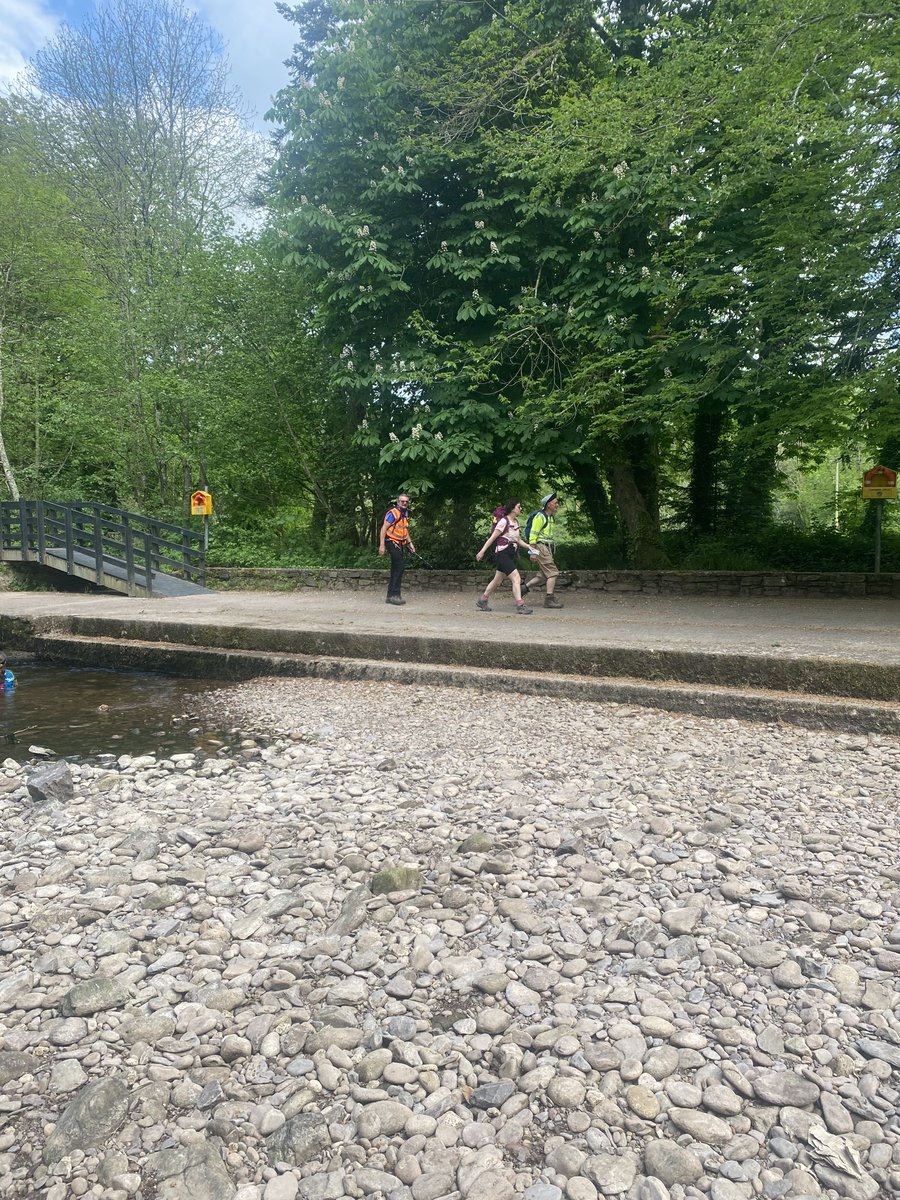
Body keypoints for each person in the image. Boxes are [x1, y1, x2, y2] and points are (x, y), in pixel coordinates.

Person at [474, 499, 539, 614]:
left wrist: (529, 547)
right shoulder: (503, 522)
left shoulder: (516, 522)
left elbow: (517, 540)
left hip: (509, 554)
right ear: (513, 508)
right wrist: (482, 551)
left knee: (497, 580)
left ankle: (483, 599)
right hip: (502, 554)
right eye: (519, 507)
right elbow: (492, 538)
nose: (520, 509)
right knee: (516, 578)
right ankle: (520, 604)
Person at [522, 492, 564, 609]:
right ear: (548, 505)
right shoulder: (540, 516)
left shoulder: (549, 517)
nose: (557, 505)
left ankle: (523, 589)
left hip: (545, 547)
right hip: (541, 547)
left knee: (543, 575)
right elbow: (533, 535)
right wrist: (533, 552)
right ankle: (549, 600)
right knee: (553, 573)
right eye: (555, 503)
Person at [378, 494, 416, 605]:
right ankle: (395, 595)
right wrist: (382, 545)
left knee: (396, 568)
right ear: (398, 502)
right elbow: (383, 528)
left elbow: (404, 531)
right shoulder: (393, 513)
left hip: (399, 543)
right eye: (402, 501)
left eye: (406, 501)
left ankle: (390, 596)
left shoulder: (405, 514)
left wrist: (410, 543)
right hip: (391, 541)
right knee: (399, 567)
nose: (404, 503)